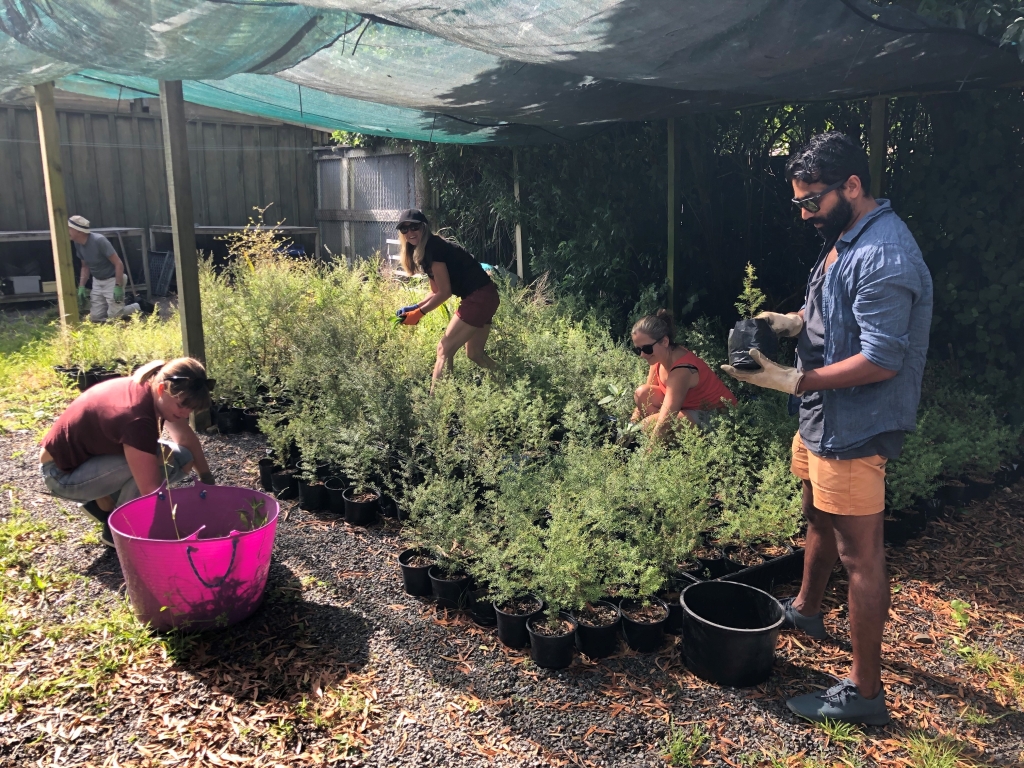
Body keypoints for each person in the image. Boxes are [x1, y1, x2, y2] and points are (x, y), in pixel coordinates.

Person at [721, 132, 932, 725]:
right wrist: (790, 322)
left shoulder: (884, 254)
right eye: (800, 202)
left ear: (853, 186)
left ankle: (865, 693)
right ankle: (807, 611)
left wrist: (793, 381)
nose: (806, 212)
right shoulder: (845, 237)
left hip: (855, 426)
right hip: (822, 419)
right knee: (816, 512)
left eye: (813, 200)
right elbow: (832, 310)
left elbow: (883, 358)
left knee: (860, 554)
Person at [39, 358, 216, 546]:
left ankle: (104, 504)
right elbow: (151, 490)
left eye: (191, 409)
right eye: (182, 406)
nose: (185, 414)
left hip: (90, 459)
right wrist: (177, 536)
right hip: (61, 475)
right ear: (162, 389)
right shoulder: (137, 419)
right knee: (152, 463)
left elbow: (186, 440)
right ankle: (121, 532)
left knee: (182, 458)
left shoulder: (157, 390)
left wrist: (207, 481)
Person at [393, 209, 500, 390]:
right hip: (486, 296)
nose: (410, 232)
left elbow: (445, 293)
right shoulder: (426, 251)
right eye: (405, 229)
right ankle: (509, 387)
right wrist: (413, 308)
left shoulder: (434, 249)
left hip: (479, 298)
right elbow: (435, 291)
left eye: (414, 227)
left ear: (424, 227)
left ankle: (438, 409)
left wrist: (419, 314)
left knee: (444, 349)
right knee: (474, 353)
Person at [631, 310, 737, 439]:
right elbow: (645, 400)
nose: (642, 354)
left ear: (664, 341)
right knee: (642, 393)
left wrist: (647, 456)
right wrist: (630, 426)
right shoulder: (657, 359)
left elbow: (666, 421)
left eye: (646, 348)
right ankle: (668, 440)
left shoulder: (682, 370)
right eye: (638, 349)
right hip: (686, 407)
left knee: (650, 426)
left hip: (716, 415)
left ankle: (668, 445)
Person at [69, 215, 141, 322]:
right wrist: (81, 286)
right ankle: (114, 310)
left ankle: (137, 307)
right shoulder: (77, 244)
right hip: (97, 281)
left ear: (79, 231)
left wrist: (118, 286)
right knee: (95, 318)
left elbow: (118, 263)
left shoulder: (99, 241)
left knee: (114, 316)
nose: (67, 231)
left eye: (69, 228)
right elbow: (85, 266)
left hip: (113, 279)